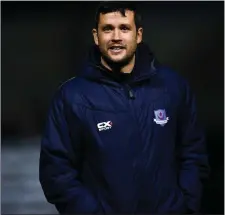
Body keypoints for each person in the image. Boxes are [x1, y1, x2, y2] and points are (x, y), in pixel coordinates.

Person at [39, 2, 210, 214]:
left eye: (124, 28)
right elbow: (56, 172)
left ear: (138, 35)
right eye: (108, 29)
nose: (116, 37)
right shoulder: (72, 97)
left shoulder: (173, 88)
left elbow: (193, 154)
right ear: (96, 36)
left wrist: (185, 206)